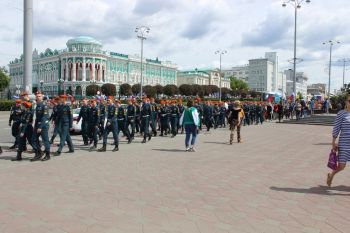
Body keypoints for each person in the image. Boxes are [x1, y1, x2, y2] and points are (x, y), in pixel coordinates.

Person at [327, 94, 350, 187]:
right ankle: (331, 175)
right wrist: (333, 142)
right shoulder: (341, 114)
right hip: (344, 144)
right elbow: (336, 128)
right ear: (346, 102)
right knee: (341, 166)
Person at [31, 91, 51, 162]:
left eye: (39, 96)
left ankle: (48, 155)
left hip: (43, 126)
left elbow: (44, 117)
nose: (38, 97)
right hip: (37, 125)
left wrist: (40, 127)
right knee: (33, 139)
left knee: (45, 140)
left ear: (42, 97)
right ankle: (38, 153)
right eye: (37, 96)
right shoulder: (37, 105)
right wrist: (35, 126)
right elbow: (37, 117)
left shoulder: (44, 105)